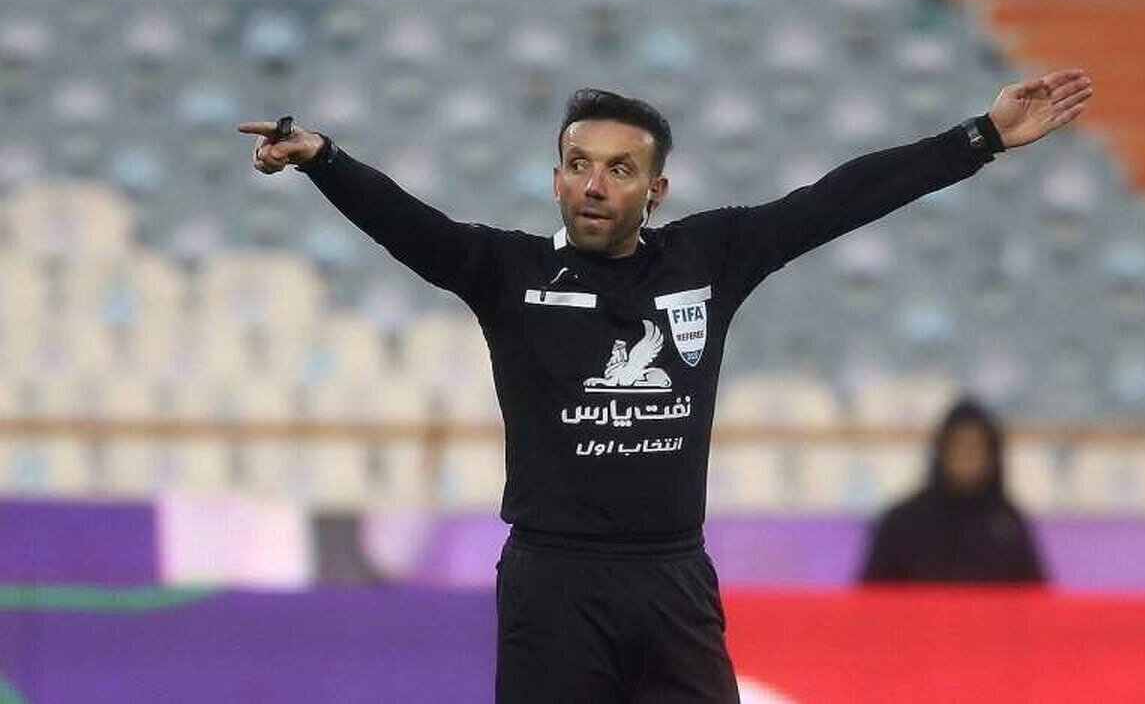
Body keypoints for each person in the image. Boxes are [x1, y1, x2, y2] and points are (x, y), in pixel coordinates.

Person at [239, 68, 1089, 702]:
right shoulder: (508, 271)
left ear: (657, 189)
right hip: (553, 583)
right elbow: (409, 226)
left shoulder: (709, 257)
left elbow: (839, 199)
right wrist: (325, 160)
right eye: (578, 164)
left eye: (619, 169)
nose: (593, 184)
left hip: (671, 580)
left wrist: (980, 136)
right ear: (555, 178)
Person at [860, 397, 1047, 584]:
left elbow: (1035, 595)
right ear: (942, 451)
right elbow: (871, 595)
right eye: (959, 445)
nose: (968, 456)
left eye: (978, 447)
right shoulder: (902, 523)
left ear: (993, 456)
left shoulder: (1008, 527)